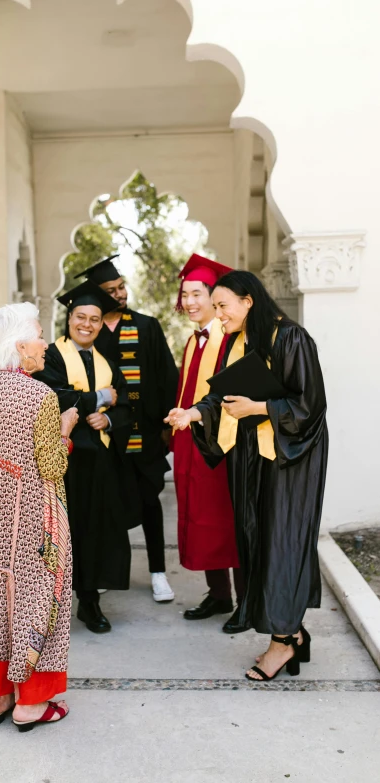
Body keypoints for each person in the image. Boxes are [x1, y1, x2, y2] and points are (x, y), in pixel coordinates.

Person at [166, 271, 328, 681]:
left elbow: (310, 405)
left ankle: (283, 642)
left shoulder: (291, 338)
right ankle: (293, 630)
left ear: (249, 301)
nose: (217, 314)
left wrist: (259, 409)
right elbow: (221, 395)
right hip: (254, 457)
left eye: (222, 306)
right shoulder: (239, 343)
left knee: (283, 543)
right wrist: (193, 413)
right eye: (215, 307)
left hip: (292, 458)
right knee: (258, 542)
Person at [0, 302, 78, 731]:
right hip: (34, 514)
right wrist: (66, 427)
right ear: (19, 344)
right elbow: (53, 466)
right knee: (40, 595)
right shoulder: (42, 396)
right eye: (38, 334)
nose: (45, 343)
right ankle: (30, 703)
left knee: (0, 592)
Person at [35, 280, 137, 634]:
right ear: (69, 318)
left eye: (95, 319)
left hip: (100, 461)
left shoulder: (107, 361)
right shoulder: (50, 355)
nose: (87, 324)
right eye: (81, 316)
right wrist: (97, 399)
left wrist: (108, 417)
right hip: (63, 461)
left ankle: (89, 602)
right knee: (58, 532)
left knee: (97, 531)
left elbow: (124, 404)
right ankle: (48, 606)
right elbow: (54, 397)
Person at [75, 256, 179, 603]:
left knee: (150, 502)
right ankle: (107, 571)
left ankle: (158, 573)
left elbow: (166, 377)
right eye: (111, 290)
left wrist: (165, 426)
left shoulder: (147, 326)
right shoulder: (87, 331)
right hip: (103, 435)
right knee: (106, 505)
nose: (120, 294)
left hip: (144, 433)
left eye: (121, 287)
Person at [172, 255, 247, 633]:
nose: (190, 302)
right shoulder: (193, 340)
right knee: (202, 521)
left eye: (198, 294)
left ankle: (245, 603)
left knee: (228, 523)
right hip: (193, 443)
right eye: (185, 294)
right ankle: (218, 594)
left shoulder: (227, 339)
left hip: (221, 446)